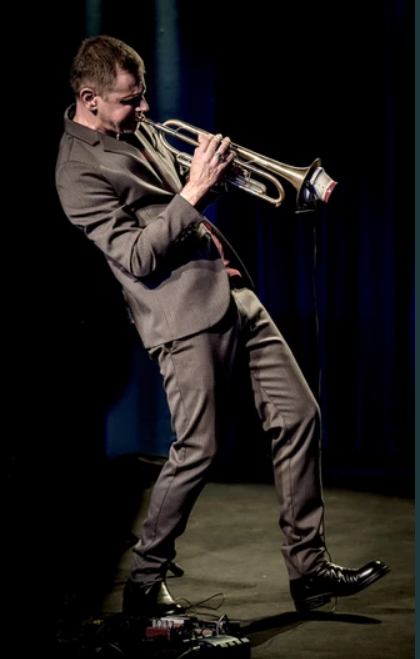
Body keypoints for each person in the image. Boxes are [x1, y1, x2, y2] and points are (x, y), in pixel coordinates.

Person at [55, 34, 390, 617]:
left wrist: (214, 171)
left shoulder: (139, 129)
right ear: (90, 99)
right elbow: (135, 255)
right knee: (199, 450)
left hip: (233, 290)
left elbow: (172, 198)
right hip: (181, 318)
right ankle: (144, 581)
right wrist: (194, 192)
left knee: (300, 415)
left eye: (142, 95)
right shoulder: (76, 171)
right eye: (130, 100)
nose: (145, 109)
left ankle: (309, 570)